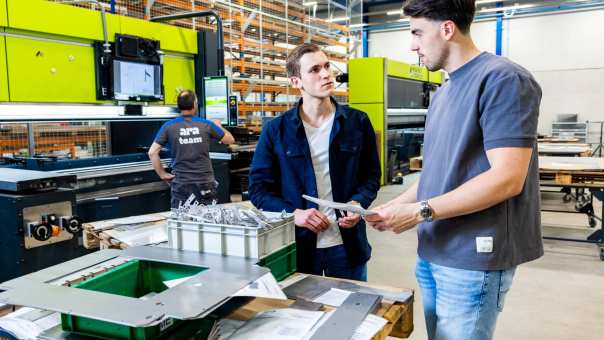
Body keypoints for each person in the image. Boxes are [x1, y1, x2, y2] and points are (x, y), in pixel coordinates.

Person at [364, 0, 543, 339]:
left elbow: (507, 178)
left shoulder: (503, 79)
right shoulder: (444, 91)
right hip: (434, 250)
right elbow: (437, 173)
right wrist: (395, 206)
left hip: (473, 256)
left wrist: (421, 212)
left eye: (417, 32)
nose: (412, 44)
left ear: (447, 29)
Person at [248, 43, 381, 281]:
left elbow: (371, 177)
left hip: (347, 247)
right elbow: (258, 190)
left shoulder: (357, 122)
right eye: (314, 69)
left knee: (353, 312)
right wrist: (294, 214)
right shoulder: (276, 131)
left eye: (327, 66)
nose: (326, 74)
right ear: (296, 82)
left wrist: (357, 204)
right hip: (297, 247)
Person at [148, 90, 235, 208]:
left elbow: (152, 152)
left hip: (181, 183)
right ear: (195, 104)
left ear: (179, 106)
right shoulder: (207, 124)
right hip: (205, 183)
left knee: (181, 221)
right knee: (208, 219)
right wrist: (219, 126)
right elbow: (230, 140)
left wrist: (163, 174)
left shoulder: (168, 126)